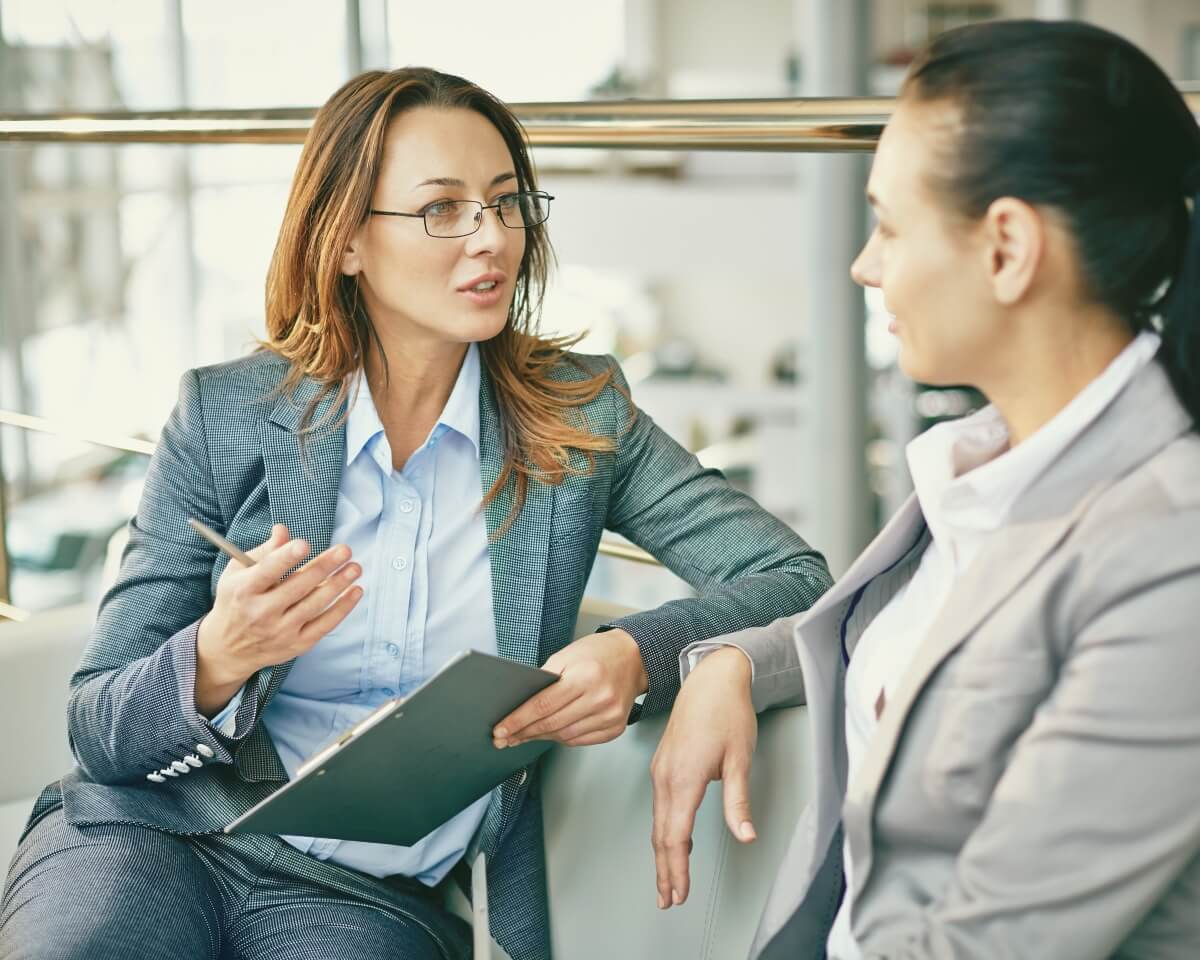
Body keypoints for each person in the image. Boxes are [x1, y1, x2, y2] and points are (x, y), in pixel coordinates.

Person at [0, 68, 832, 960]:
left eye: (508, 203)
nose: (492, 238)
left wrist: (643, 655)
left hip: (363, 894)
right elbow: (99, 727)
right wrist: (219, 655)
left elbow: (793, 576)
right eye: (443, 209)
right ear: (349, 240)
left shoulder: (581, 416)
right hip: (155, 836)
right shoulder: (224, 416)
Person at [649, 19, 1200, 960]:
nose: (864, 265)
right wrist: (731, 660)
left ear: (1006, 250)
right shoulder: (987, 468)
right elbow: (918, 640)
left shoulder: (1167, 560)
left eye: (890, 225)